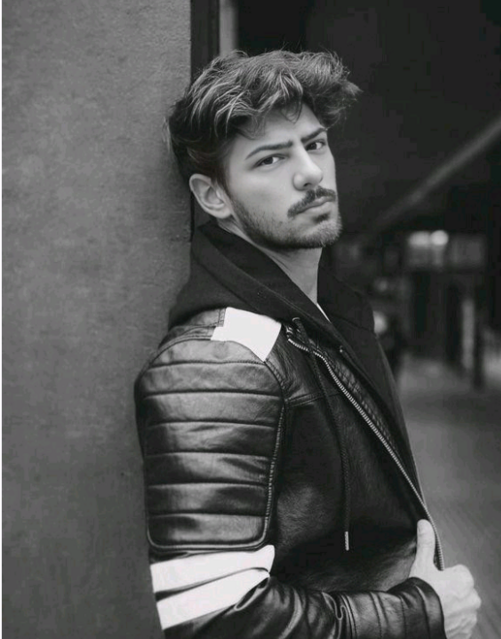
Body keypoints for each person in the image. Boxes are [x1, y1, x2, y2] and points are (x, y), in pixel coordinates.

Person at [134, 50, 481, 638]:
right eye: (271, 158)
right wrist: (421, 614)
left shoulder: (323, 322)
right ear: (214, 196)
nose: (311, 173)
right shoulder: (218, 361)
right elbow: (211, 618)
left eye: (314, 144)